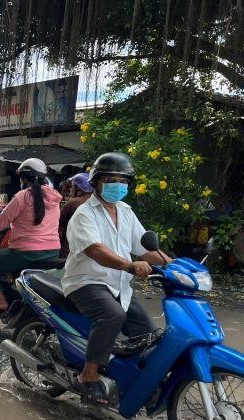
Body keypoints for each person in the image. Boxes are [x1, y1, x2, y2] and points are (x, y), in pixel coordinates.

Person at [62, 152, 172, 405]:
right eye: (111, 179)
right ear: (97, 182)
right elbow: (95, 250)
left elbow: (145, 248)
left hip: (118, 284)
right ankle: (88, 376)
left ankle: (133, 379)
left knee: (149, 333)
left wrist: (173, 265)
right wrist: (129, 264)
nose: (117, 185)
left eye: (123, 181)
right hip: (86, 281)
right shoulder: (84, 214)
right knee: (112, 315)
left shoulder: (125, 211)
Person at [0, 158, 62, 313]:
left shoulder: (22, 197)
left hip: (26, 253)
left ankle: (0, 301)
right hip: (53, 251)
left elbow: (0, 223)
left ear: (24, 178)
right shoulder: (55, 197)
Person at [58, 172, 94, 257]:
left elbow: (59, 224)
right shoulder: (97, 202)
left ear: (79, 188)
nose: (70, 189)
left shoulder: (73, 203)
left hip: (70, 248)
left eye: (72, 186)